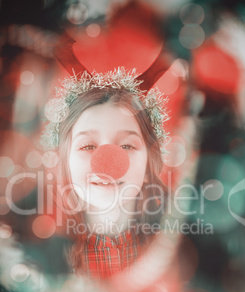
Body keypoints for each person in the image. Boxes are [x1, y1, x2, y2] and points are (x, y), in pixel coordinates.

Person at [42, 68, 170, 280]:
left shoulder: (176, 250)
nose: (107, 163)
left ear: (150, 163)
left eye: (127, 146)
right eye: (88, 146)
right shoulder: (41, 258)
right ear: (65, 161)